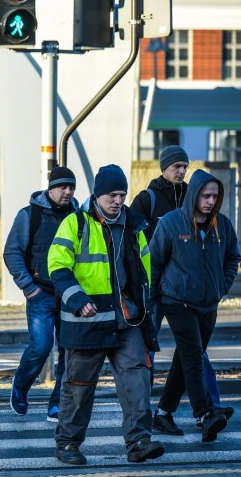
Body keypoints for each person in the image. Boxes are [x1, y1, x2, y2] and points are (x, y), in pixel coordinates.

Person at [47, 164, 164, 465]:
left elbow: (143, 273)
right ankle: (68, 445)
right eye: (112, 194)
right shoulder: (75, 223)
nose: (118, 200)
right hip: (88, 321)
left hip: (128, 320)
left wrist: (145, 308)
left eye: (122, 194)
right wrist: (77, 299)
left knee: (136, 379)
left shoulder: (135, 225)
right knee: (79, 387)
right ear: (98, 194)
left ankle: (139, 441)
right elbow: (57, 266)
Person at [149, 169, 239, 442]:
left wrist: (220, 287)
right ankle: (205, 414)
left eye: (215, 196)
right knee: (194, 357)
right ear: (194, 195)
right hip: (178, 301)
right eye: (205, 195)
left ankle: (163, 414)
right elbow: (153, 262)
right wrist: (154, 297)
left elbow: (233, 258)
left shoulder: (221, 225)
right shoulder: (171, 224)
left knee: (186, 357)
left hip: (208, 304)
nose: (211, 201)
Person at [131, 146, 223, 407]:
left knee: (195, 350)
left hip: (182, 290)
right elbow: (131, 241)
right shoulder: (147, 199)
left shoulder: (192, 198)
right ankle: (142, 408)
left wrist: (219, 284)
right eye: (176, 167)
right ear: (164, 168)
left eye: (184, 166)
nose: (181, 171)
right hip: (153, 286)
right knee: (147, 346)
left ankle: (213, 405)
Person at [3, 166, 77, 423]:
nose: (67, 192)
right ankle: (21, 387)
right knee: (41, 346)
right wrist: (28, 287)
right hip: (41, 294)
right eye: (62, 187)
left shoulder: (78, 216)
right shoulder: (29, 215)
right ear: (50, 187)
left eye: (71, 187)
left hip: (70, 295)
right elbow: (12, 252)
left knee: (70, 350)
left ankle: (57, 403)